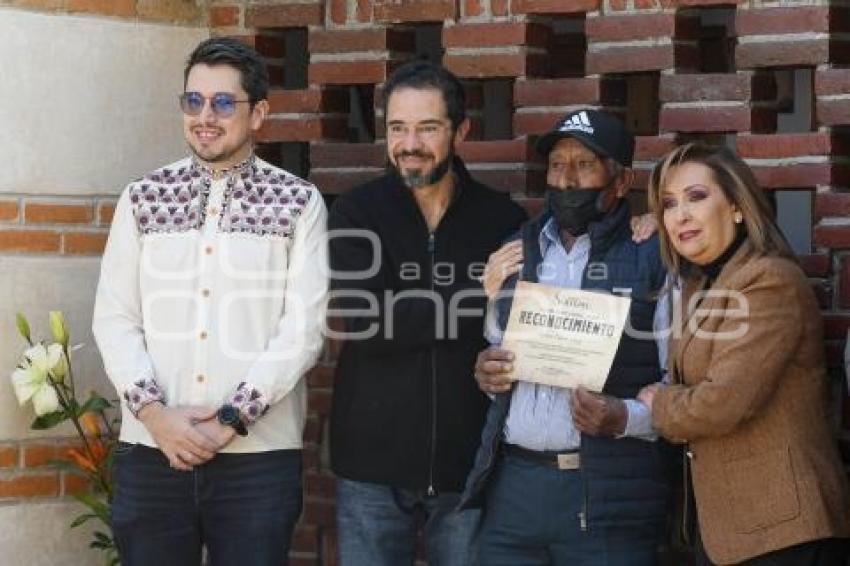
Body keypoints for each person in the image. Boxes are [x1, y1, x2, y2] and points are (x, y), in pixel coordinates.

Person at [92, 37, 328, 566]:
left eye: (223, 103)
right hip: (153, 454)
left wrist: (229, 417)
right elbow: (114, 317)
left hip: (258, 463)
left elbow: (303, 328)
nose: (205, 116)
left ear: (259, 113)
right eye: (193, 101)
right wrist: (155, 416)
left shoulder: (298, 202)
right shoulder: (143, 197)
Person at [327, 60, 527, 565]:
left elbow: (519, 324)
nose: (409, 143)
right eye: (398, 128)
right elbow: (370, 321)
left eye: (427, 127)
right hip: (372, 468)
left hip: (468, 469)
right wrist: (476, 290)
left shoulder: (502, 219)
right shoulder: (355, 213)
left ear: (461, 130)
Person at [460, 109, 675, 566]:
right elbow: (497, 348)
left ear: (620, 181)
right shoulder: (517, 245)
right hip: (513, 487)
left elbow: (678, 384)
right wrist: (488, 368)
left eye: (584, 164)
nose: (567, 179)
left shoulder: (652, 256)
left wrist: (623, 417)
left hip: (606, 496)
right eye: (557, 165)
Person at [638, 143, 850, 566]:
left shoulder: (769, 281)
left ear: (737, 207)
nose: (680, 215)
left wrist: (659, 404)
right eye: (668, 204)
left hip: (784, 530)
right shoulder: (701, 285)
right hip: (731, 530)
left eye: (696, 197)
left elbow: (722, 403)